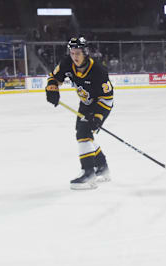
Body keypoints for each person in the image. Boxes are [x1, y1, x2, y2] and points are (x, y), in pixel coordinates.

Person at [45, 36, 113, 190]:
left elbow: (108, 98)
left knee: (83, 133)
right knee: (84, 134)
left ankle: (88, 173)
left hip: (101, 104)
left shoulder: (98, 70)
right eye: (72, 53)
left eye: (78, 53)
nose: (74, 57)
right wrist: (52, 89)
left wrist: (98, 117)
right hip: (85, 104)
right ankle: (102, 167)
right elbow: (53, 77)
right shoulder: (67, 63)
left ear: (85, 53)